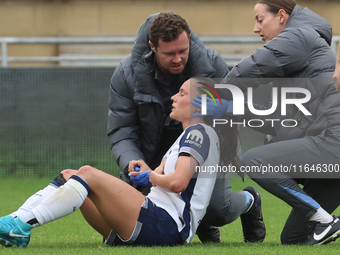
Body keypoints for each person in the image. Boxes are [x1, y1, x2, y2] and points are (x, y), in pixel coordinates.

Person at [0, 78, 259, 248]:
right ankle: (13, 222)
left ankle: (21, 226)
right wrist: (146, 172)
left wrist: (150, 178)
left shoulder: (200, 132)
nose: (174, 97)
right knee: (71, 174)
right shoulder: (189, 135)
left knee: (87, 173)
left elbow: (178, 183)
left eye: (181, 93)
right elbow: (164, 179)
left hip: (167, 226)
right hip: (154, 222)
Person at [194, 0, 340, 245]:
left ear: (282, 16)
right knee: (294, 238)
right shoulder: (302, 55)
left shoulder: (299, 36)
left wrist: (218, 94)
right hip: (329, 155)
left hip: (334, 144)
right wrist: (233, 109)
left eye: (260, 20)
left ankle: (325, 221)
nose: (255, 28)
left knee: (255, 160)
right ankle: (324, 221)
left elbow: (251, 68)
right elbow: (283, 124)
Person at [106, 11, 246, 243]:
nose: (178, 59)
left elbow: (227, 121)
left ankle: (248, 201)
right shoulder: (125, 74)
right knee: (129, 210)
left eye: (183, 51)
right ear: (152, 47)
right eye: (169, 53)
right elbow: (122, 131)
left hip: (202, 147)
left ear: (189, 38)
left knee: (218, 210)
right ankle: (197, 221)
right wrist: (131, 162)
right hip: (150, 152)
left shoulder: (213, 66)